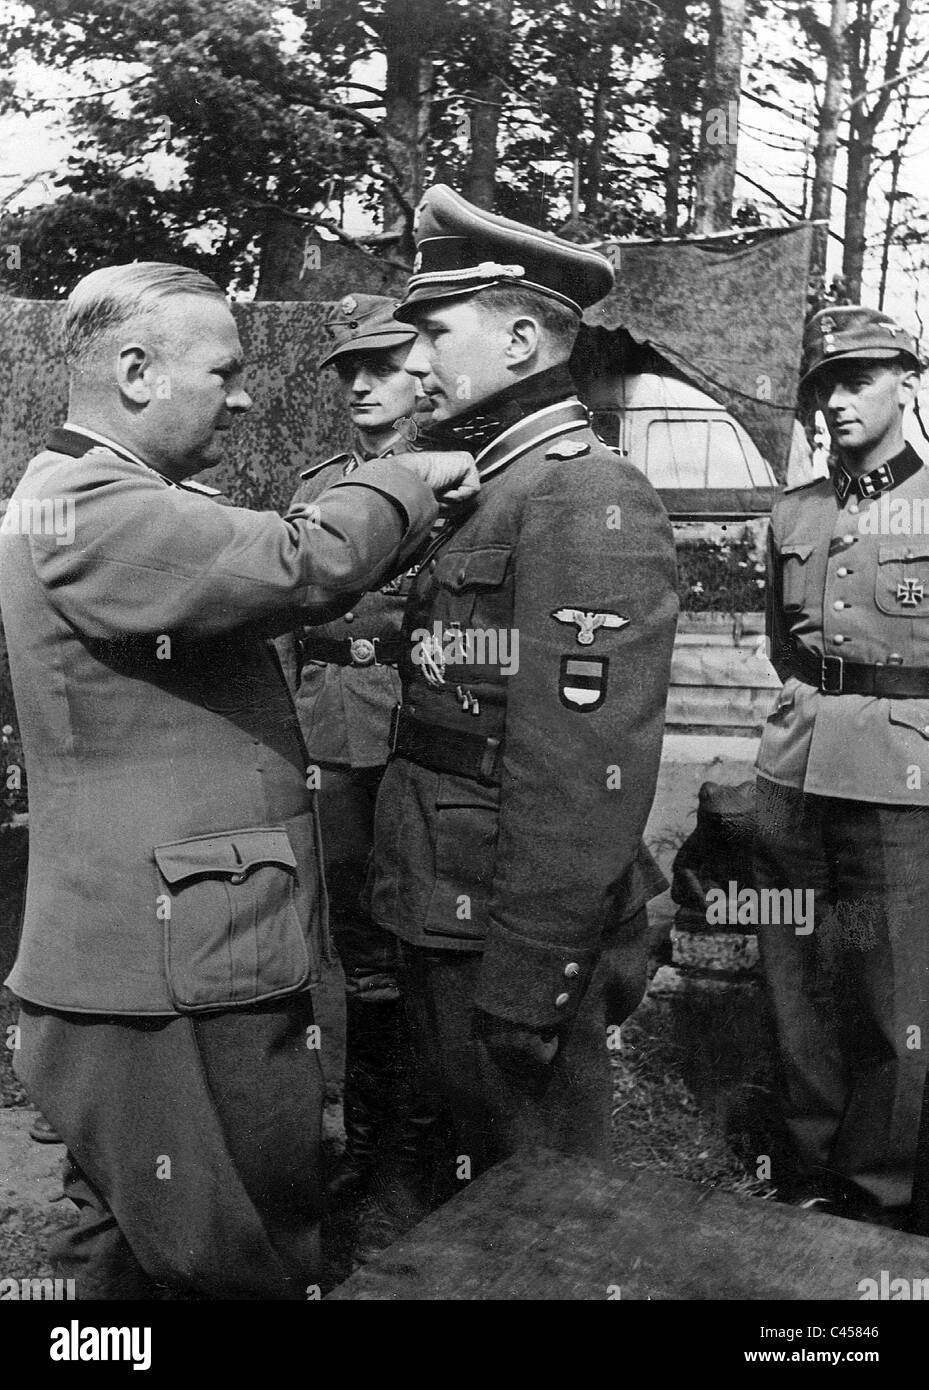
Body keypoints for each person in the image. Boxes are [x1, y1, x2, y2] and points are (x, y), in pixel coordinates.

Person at [0, 261, 477, 1299]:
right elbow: (300, 559)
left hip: (175, 950)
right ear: (134, 372)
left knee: (129, 1243)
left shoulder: (110, 496)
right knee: (227, 1258)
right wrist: (411, 471)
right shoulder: (88, 505)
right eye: (224, 369)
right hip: (161, 975)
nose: (247, 392)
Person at [367, 185, 679, 1179]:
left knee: (539, 1211)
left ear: (516, 342)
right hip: (441, 889)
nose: (414, 359)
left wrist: (533, 976)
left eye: (434, 330)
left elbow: (584, 767)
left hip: (504, 927)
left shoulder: (586, 493)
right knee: (481, 1191)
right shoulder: (486, 481)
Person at [755, 304, 929, 1229]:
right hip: (794, 769)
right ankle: (805, 1175)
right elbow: (785, 644)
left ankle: (878, 1195)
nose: (833, 401)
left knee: (892, 994)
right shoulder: (794, 512)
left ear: (908, 380)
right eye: (822, 384)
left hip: (902, 775)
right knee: (795, 981)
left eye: (856, 378)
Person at [277, 295, 438, 1220]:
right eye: (347, 370)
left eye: (380, 365)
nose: (361, 385)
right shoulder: (320, 486)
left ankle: (426, 1143)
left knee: (424, 939)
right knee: (355, 950)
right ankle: (369, 1140)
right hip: (331, 735)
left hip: (417, 731)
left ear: (422, 371)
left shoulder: (458, 485)